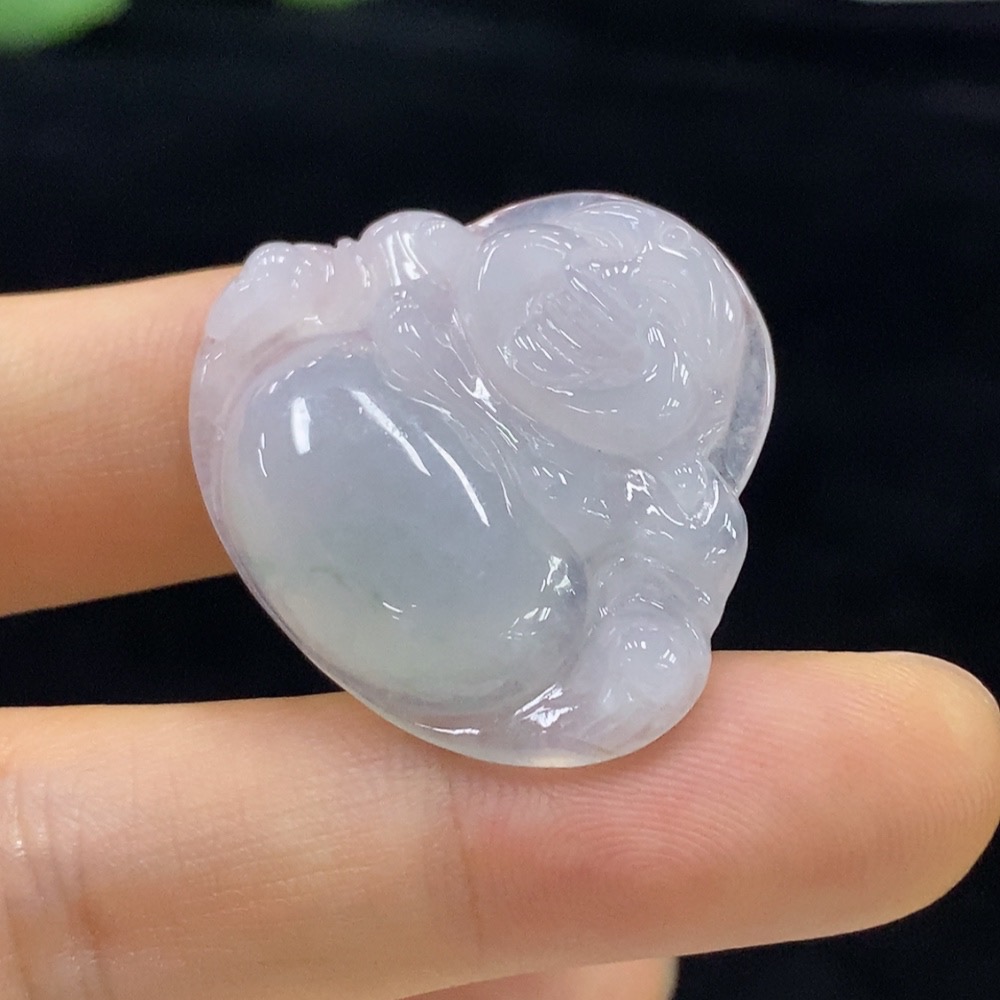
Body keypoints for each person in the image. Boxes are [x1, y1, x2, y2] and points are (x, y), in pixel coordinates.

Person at [0, 269, 997, 1000]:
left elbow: (658, 608)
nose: (584, 312)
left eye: (638, 327)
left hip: (501, 605)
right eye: (571, 280)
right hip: (344, 445)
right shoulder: (407, 294)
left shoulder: (668, 500)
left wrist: (635, 645)